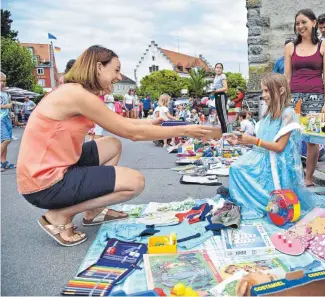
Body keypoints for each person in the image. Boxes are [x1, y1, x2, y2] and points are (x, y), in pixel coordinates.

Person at [16, 45, 212, 246]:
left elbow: (119, 121)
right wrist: (185, 130)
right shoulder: (77, 95)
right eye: (116, 70)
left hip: (47, 171)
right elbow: (132, 133)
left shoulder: (75, 91)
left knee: (111, 144)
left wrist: (148, 122)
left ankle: (93, 211)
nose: (119, 77)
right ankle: (59, 216)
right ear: (99, 67)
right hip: (45, 184)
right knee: (134, 182)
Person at [224, 73, 313, 219]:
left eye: (266, 90)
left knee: (238, 169)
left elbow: (279, 147)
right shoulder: (267, 114)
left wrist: (252, 141)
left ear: (281, 90)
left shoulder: (288, 113)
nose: (263, 95)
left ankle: (261, 203)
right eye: (262, 91)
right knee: (236, 168)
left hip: (274, 163)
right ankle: (250, 201)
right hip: (261, 157)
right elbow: (260, 142)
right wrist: (239, 140)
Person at [284, 8, 325, 187]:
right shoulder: (290, 47)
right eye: (297, 23)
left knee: (312, 139)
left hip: (316, 96)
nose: (300, 26)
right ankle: (291, 175)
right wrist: (283, 101)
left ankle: (308, 179)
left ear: (314, 23)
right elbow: (287, 77)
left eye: (304, 22)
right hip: (294, 97)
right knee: (289, 137)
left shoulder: (324, 46)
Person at [0, 72, 15, 172]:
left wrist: (10, 108)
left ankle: (3, 163)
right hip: (1, 119)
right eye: (1, 80)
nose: (3, 83)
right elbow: (7, 105)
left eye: (4, 81)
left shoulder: (6, 93)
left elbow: (10, 104)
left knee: (4, 141)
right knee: (6, 139)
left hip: (7, 118)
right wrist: (8, 106)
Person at [212, 63, 229, 133]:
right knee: (219, 115)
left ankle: (227, 133)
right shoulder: (215, 77)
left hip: (221, 95)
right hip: (217, 96)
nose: (218, 69)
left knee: (223, 116)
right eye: (217, 67)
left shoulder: (222, 76)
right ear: (215, 69)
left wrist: (216, 91)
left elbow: (225, 88)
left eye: (220, 68)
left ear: (222, 69)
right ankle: (223, 133)